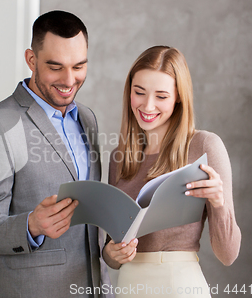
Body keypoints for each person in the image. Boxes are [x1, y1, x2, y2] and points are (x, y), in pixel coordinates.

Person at [0, 10, 112, 298]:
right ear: (31, 60)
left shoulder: (87, 118)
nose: (69, 80)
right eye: (55, 67)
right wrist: (31, 224)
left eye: (79, 66)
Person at [102, 46, 241, 297]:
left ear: (178, 96)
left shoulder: (204, 146)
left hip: (178, 285)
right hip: (127, 287)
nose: (148, 105)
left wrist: (219, 204)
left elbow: (228, 254)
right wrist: (111, 253)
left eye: (161, 96)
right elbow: (112, 255)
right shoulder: (119, 157)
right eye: (139, 92)